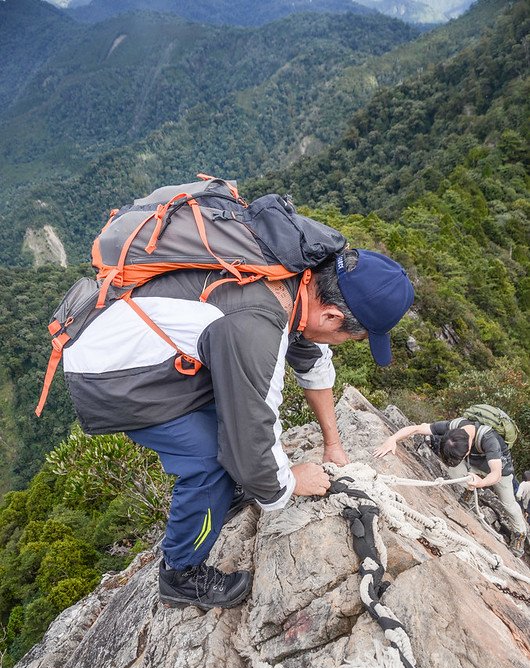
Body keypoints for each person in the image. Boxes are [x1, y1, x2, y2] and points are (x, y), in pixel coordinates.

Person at [63, 248, 414, 607]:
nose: (344, 344)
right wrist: (289, 481)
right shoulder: (257, 326)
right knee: (208, 463)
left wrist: (332, 443)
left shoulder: (297, 280)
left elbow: (313, 364)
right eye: (351, 338)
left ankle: (226, 491)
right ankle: (180, 575)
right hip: (111, 376)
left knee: (232, 431)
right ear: (331, 315)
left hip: (135, 334)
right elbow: (250, 439)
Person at [374, 418, 528, 557]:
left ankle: (520, 533)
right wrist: (392, 438)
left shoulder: (489, 440)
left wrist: (481, 482)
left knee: (508, 504)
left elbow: (495, 474)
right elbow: (417, 428)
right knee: (455, 471)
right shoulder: (453, 426)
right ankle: (469, 489)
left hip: (499, 469)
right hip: (472, 463)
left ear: (467, 449)